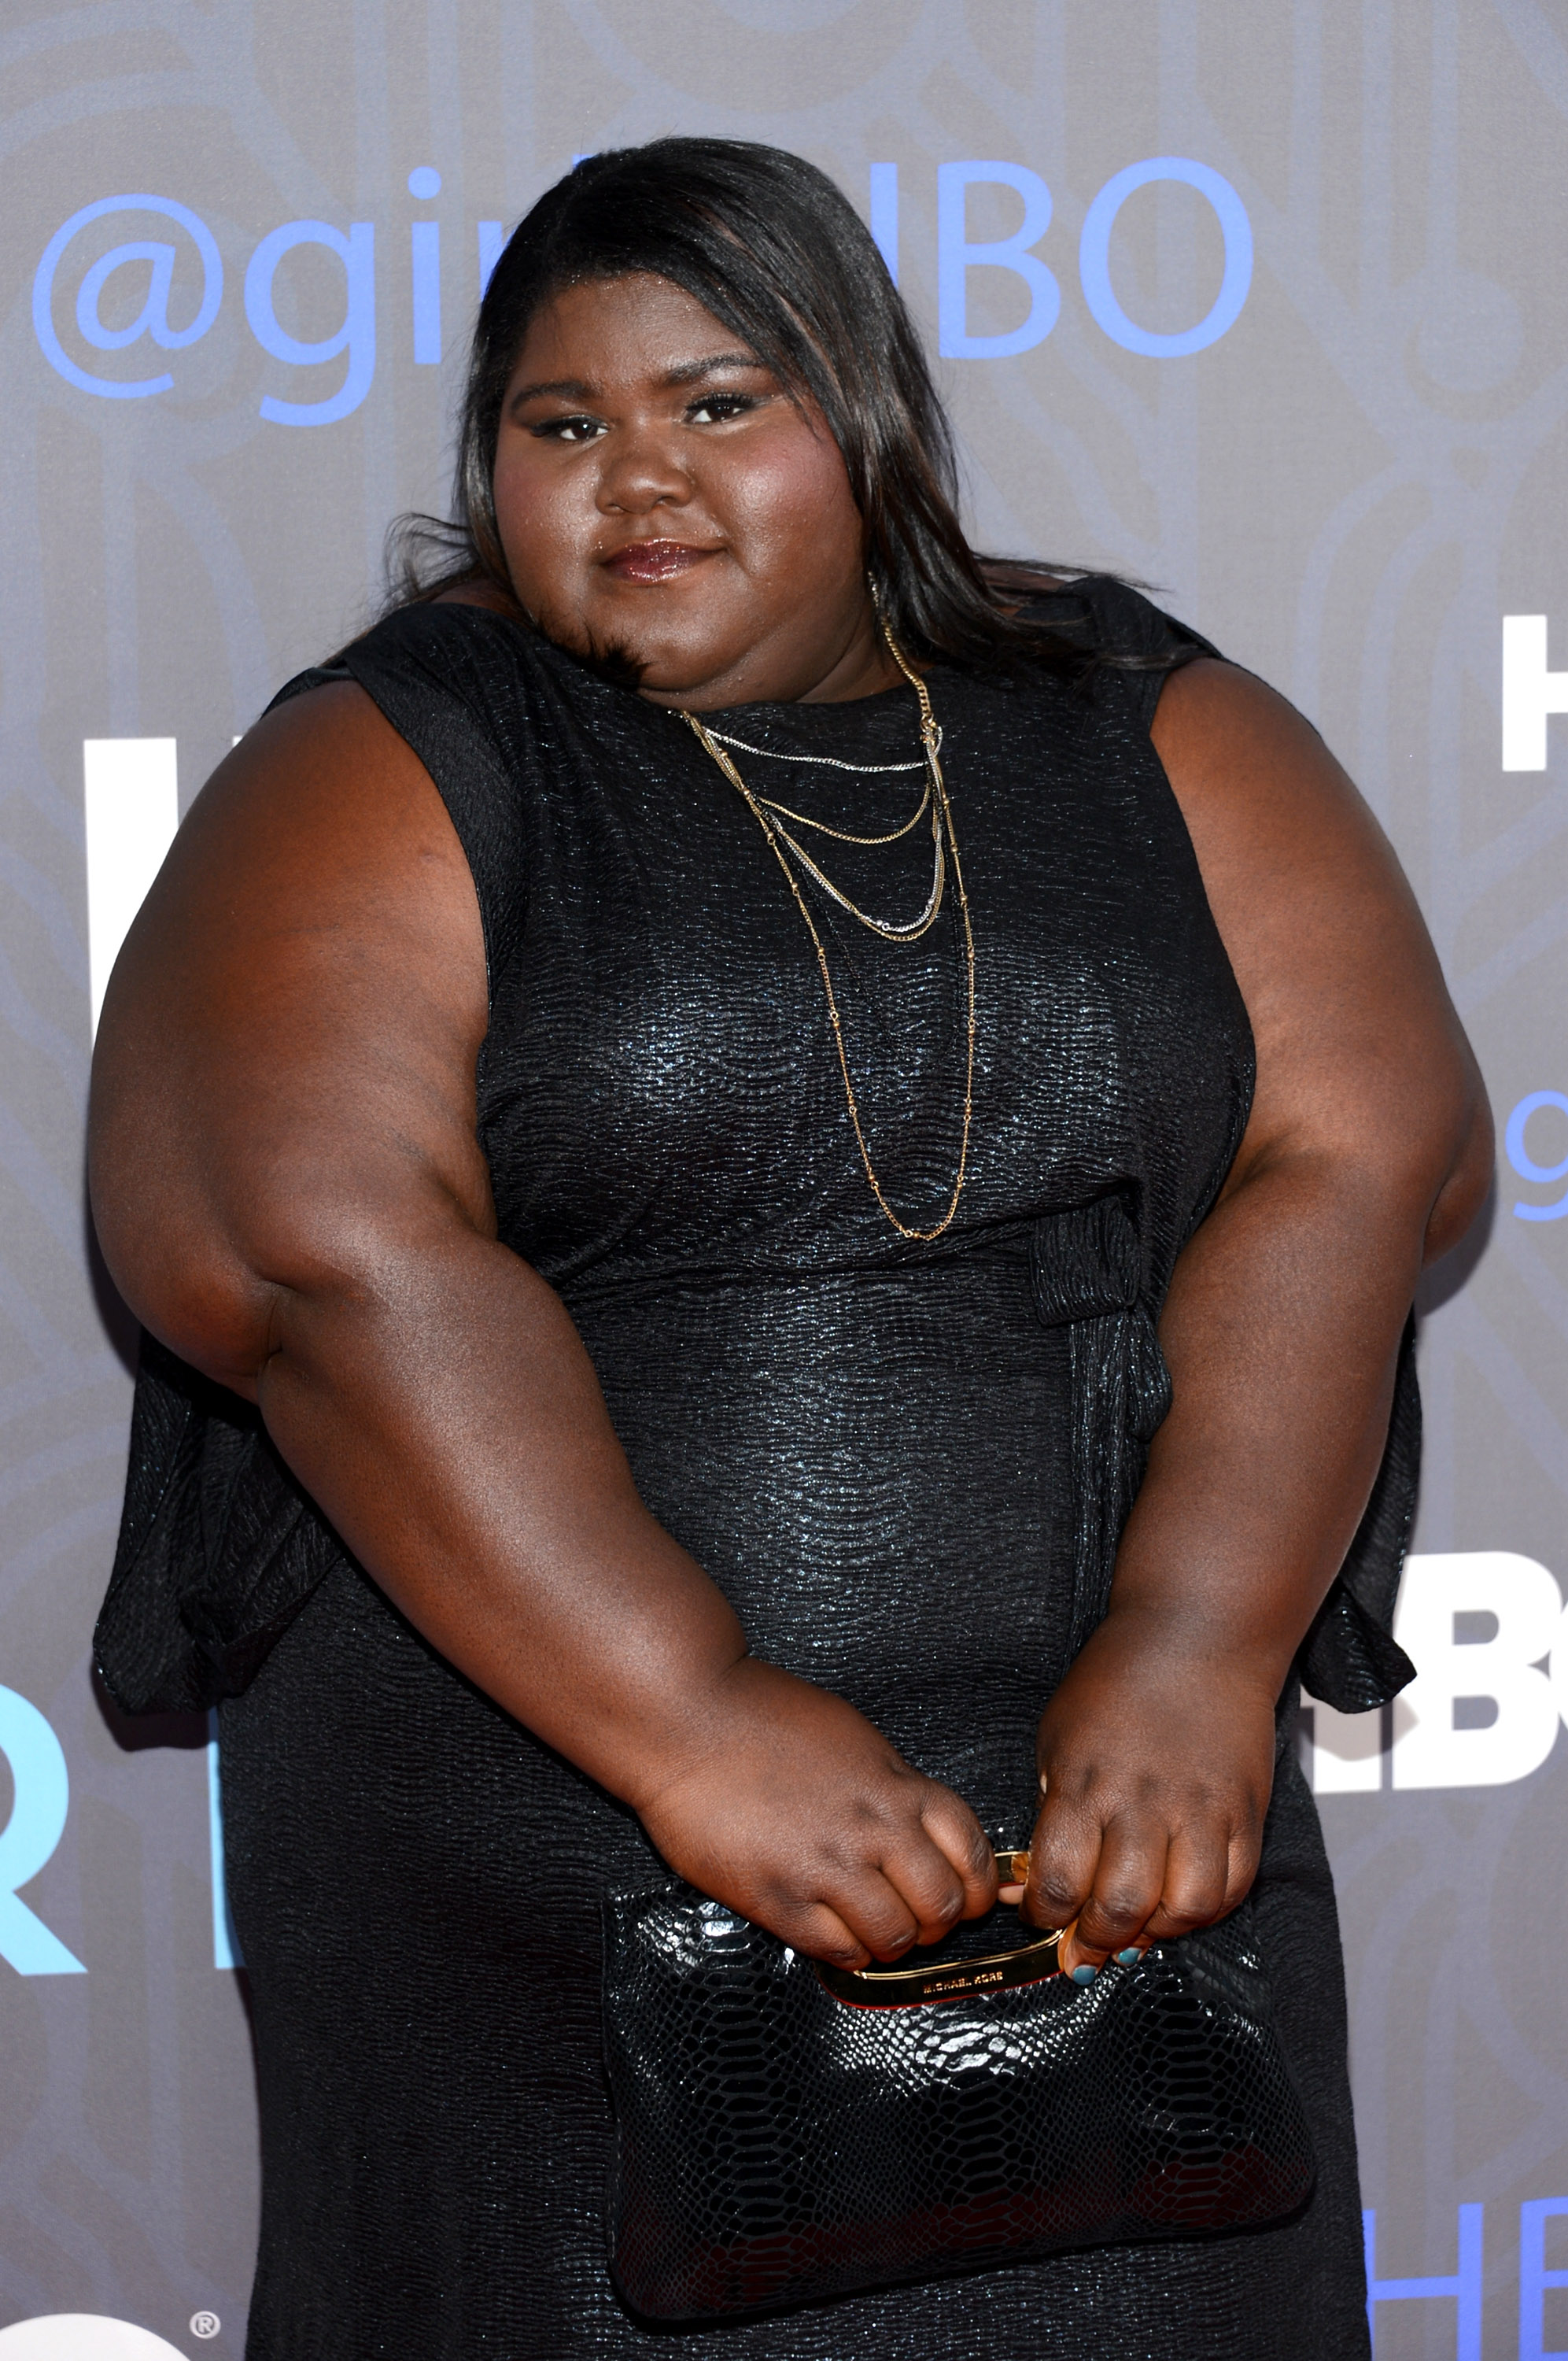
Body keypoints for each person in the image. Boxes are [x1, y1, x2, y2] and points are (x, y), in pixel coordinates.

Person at [88, 138, 1490, 2359]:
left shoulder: (1146, 715)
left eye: (715, 404)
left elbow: (1359, 1155)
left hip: (1126, 1853)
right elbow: (304, 1248)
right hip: (552, 1873)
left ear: (864, 420)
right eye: (563, 427)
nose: (637, 473)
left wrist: (1205, 1647)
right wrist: (694, 1720)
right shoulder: (393, 755)